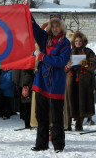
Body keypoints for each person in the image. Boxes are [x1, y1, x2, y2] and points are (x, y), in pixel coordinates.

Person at [30, 16, 71, 153]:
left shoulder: (65, 43)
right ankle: (41, 144)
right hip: (42, 80)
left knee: (56, 116)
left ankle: (58, 145)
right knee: (40, 115)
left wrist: (42, 56)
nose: (55, 29)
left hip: (55, 82)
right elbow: (34, 28)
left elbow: (60, 61)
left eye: (57, 26)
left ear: (61, 27)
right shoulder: (44, 39)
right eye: (52, 26)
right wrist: (28, 14)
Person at [65, 32, 96, 131]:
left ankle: (79, 124)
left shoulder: (88, 52)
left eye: (80, 41)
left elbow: (94, 64)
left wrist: (85, 63)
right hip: (71, 80)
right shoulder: (68, 52)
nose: (78, 43)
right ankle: (68, 123)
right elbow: (63, 64)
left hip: (84, 81)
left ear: (83, 41)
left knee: (82, 101)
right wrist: (68, 66)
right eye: (76, 41)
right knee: (70, 101)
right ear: (73, 42)